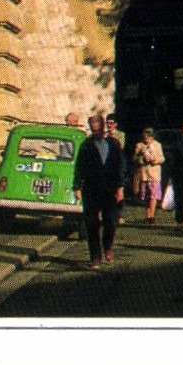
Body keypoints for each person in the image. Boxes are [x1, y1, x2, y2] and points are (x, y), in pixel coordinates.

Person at [72, 112, 125, 268]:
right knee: (92, 223)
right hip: (91, 189)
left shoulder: (114, 145)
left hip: (110, 189)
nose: (96, 132)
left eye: (98, 129)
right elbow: (79, 167)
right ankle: (95, 256)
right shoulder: (86, 145)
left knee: (111, 221)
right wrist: (77, 187)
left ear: (103, 127)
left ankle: (108, 246)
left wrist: (120, 187)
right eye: (93, 130)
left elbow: (121, 167)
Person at [132, 125, 165, 223]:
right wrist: (142, 157)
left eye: (148, 137)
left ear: (152, 137)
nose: (146, 139)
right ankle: (147, 213)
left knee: (153, 195)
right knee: (146, 195)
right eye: (145, 137)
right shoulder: (139, 145)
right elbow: (134, 158)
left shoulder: (157, 145)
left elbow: (162, 158)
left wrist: (154, 159)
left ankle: (151, 215)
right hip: (144, 174)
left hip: (154, 174)